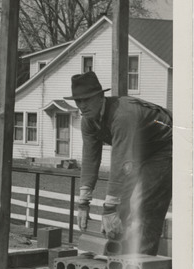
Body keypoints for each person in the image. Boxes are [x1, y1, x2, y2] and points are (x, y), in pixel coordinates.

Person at [67, 71, 172, 255]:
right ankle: (115, 262)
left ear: (101, 97)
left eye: (87, 100)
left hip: (166, 145)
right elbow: (90, 160)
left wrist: (109, 209)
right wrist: (83, 204)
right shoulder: (88, 122)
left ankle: (140, 268)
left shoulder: (122, 115)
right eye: (78, 101)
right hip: (140, 149)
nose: (82, 106)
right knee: (120, 207)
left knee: (143, 206)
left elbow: (121, 160)